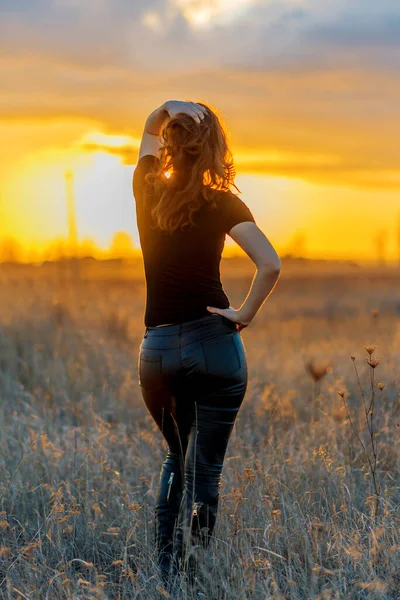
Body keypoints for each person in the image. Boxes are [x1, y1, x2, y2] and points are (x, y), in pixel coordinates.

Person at [132, 100, 281, 592]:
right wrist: (244, 314)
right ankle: (195, 579)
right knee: (205, 471)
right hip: (213, 345)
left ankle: (167, 575)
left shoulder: (147, 190)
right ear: (214, 146)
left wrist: (164, 109)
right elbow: (270, 264)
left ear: (172, 143)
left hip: (156, 353)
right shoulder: (222, 202)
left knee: (176, 458)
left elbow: (148, 135)